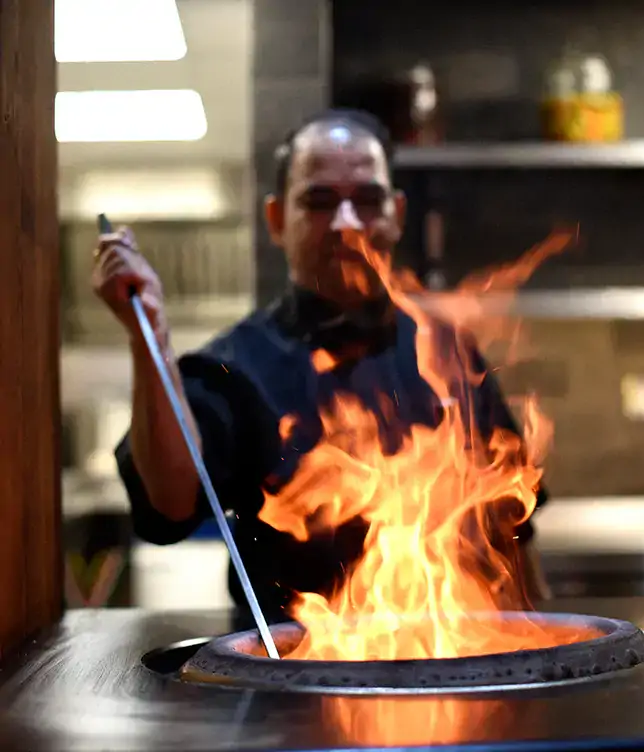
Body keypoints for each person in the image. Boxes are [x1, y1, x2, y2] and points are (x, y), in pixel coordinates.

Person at [92, 108, 551, 622]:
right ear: (275, 221)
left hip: (449, 671)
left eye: (368, 200)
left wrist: (546, 651)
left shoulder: (447, 350)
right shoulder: (237, 364)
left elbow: (515, 528)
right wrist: (146, 335)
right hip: (292, 681)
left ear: (397, 214)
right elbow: (172, 502)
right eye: (319, 201)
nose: (346, 224)